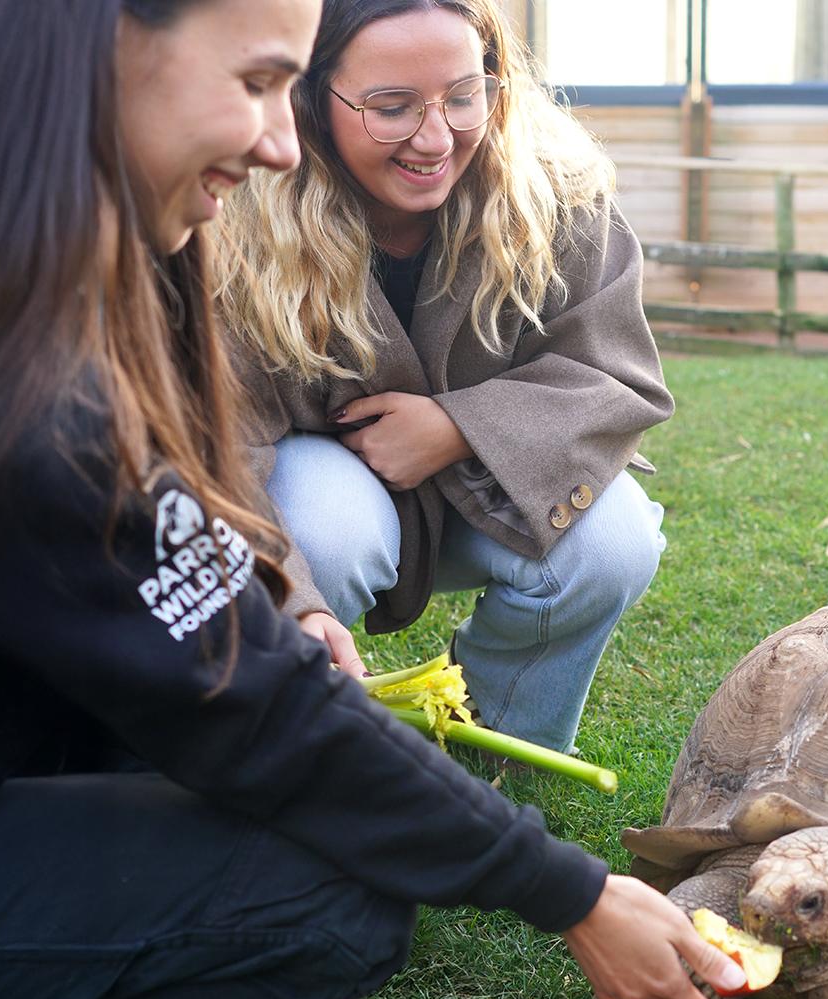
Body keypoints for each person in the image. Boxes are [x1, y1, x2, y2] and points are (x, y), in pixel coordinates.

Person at [0, 1, 745, 999]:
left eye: (460, 95)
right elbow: (256, 704)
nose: (275, 141)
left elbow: (195, 648)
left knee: (150, 721)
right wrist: (569, 890)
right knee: (334, 887)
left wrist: (291, 587)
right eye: (260, 81)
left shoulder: (1, 285)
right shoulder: (25, 386)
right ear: (99, 51)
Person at [216, 0, 673, 754]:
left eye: (465, 95)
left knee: (614, 543)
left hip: (486, 486)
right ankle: (295, 747)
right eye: (391, 107)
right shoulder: (237, 220)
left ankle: (494, 746)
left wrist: (459, 427)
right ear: (309, 97)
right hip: (324, 497)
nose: (437, 138)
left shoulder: (557, 192)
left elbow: (616, 375)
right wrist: (289, 598)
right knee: (327, 528)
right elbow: (215, 443)